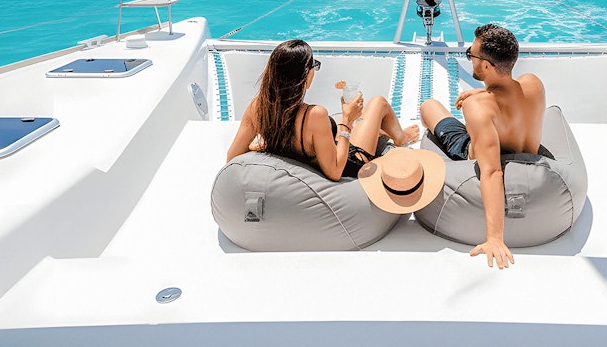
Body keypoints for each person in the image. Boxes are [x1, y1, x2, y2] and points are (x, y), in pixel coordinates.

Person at [419, 24, 546, 269]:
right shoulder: (533, 84)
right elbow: (508, 95)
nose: (469, 58)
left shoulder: (478, 107)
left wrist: (495, 239)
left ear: (486, 66)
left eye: (471, 55)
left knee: (429, 107)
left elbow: (492, 171)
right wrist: (486, 92)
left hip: (473, 150)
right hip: (527, 150)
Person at [226, 39, 420, 181]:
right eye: (313, 66)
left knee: (368, 126)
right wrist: (346, 120)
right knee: (379, 103)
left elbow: (232, 157)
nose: (314, 71)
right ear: (303, 75)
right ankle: (401, 138)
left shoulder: (257, 108)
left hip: (317, 151)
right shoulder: (314, 115)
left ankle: (383, 133)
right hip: (350, 163)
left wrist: (265, 146)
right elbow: (335, 172)